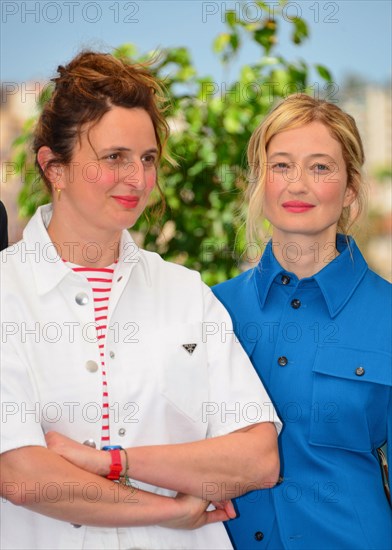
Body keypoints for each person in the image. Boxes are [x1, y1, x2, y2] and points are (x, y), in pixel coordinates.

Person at [0, 51, 281, 550]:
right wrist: (169, 511)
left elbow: (257, 459)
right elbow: (19, 473)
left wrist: (114, 462)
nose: (138, 179)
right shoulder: (7, 293)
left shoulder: (185, 293)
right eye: (114, 158)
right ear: (54, 167)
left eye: (147, 159)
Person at [213, 94, 392, 549]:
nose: (298, 185)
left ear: (350, 187)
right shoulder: (210, 312)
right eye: (281, 166)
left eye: (320, 167)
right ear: (260, 180)